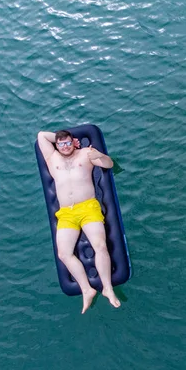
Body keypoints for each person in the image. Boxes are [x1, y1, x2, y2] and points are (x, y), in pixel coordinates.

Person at [37, 129, 121, 314]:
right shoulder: (52, 157)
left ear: (74, 143)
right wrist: (67, 139)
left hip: (88, 207)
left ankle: (107, 288)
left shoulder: (85, 154)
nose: (65, 147)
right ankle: (86, 289)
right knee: (63, 254)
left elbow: (108, 164)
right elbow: (42, 135)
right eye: (62, 144)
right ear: (57, 145)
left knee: (100, 246)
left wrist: (98, 154)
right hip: (66, 213)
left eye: (68, 143)